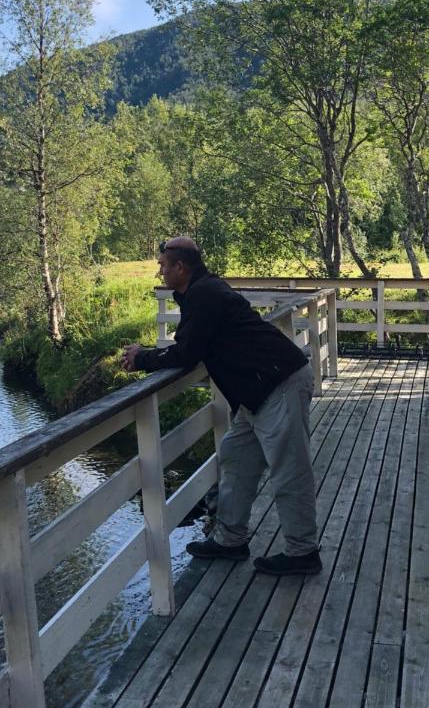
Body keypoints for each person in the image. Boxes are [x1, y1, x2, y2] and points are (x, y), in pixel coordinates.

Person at [122, 237, 321, 576]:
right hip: (256, 391)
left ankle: (303, 553)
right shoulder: (202, 291)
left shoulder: (204, 295)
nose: (160, 270)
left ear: (180, 267)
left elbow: (186, 354)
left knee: (289, 470)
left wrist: (141, 358)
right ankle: (230, 539)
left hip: (278, 383)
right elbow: (193, 343)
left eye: (163, 266)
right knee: (236, 458)